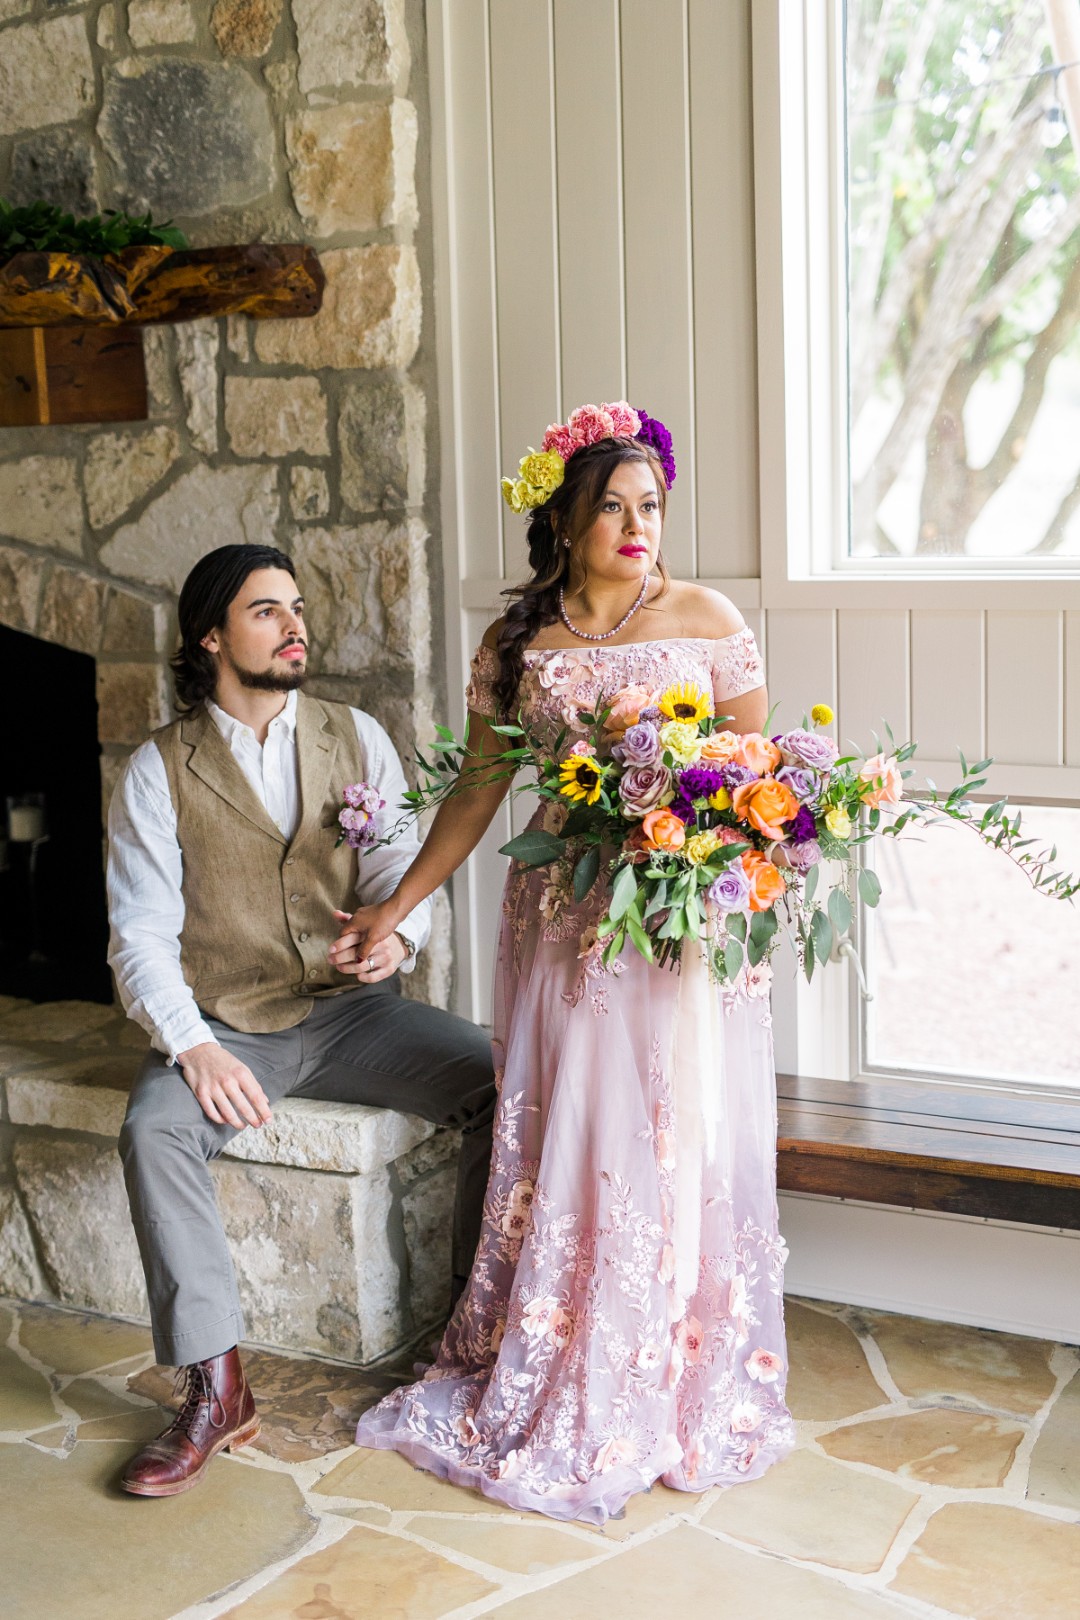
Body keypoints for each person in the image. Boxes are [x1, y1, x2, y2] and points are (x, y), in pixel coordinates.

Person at [336, 404, 795, 1524]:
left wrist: (709, 852)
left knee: (671, 1128)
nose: (638, 526)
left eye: (651, 506)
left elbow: (758, 782)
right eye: (613, 506)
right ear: (566, 514)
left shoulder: (708, 618)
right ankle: (570, 1351)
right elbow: (480, 791)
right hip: (563, 917)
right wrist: (396, 902)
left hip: (678, 933)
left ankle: (672, 1373)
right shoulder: (518, 643)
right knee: (578, 1128)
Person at [107, 543, 496, 1498]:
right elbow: (140, 937)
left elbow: (399, 880)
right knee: (153, 1127)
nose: (296, 627)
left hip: (357, 1013)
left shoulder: (354, 734)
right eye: (268, 610)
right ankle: (214, 1388)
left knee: (507, 1078)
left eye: (298, 608)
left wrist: (392, 940)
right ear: (212, 636)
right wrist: (192, 1045)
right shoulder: (159, 771)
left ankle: (473, 1333)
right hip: (230, 1022)